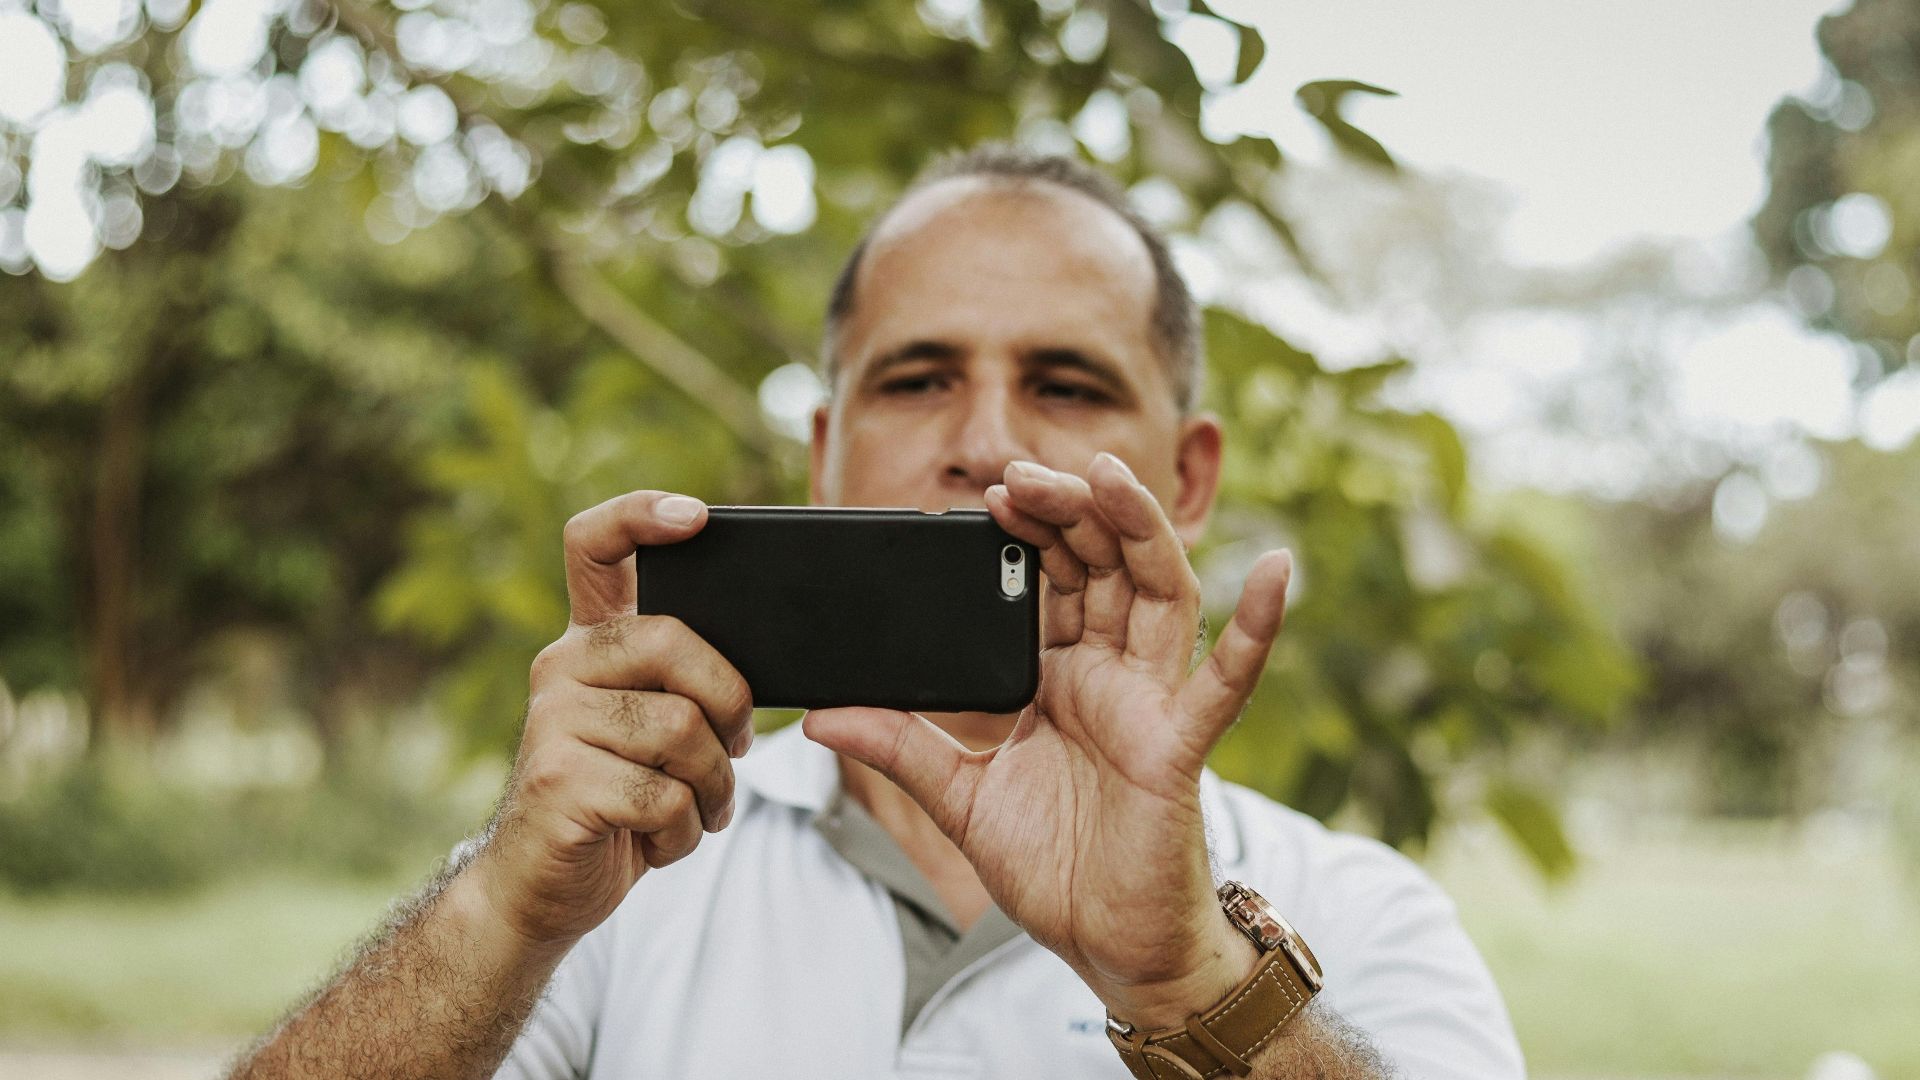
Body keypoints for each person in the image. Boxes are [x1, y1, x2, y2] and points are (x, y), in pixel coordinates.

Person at [229, 146, 1525, 1080]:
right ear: (822, 454)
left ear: (1186, 479)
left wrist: (1190, 980)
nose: (985, 443)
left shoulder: (1353, 913)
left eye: (1065, 383)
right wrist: (502, 910)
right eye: (918, 378)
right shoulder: (614, 869)